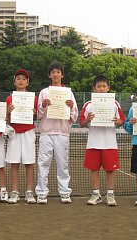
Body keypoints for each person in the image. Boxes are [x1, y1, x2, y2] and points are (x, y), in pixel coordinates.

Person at [35, 62, 78, 204]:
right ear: (49, 75)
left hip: (62, 133)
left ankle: (65, 192)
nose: (55, 74)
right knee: (43, 163)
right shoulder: (44, 92)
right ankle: (41, 193)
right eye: (53, 72)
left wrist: (71, 107)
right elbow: (38, 115)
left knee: (63, 164)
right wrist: (43, 105)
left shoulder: (68, 93)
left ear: (62, 75)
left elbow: (74, 115)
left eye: (58, 72)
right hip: (46, 133)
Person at [79, 75, 124, 206]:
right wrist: (88, 120)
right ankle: (96, 194)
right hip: (93, 143)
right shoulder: (88, 105)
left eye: (104, 86)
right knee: (94, 170)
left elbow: (121, 121)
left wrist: (118, 121)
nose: (101, 89)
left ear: (108, 88)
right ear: (94, 88)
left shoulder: (115, 104)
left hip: (110, 144)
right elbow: (82, 123)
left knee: (110, 170)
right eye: (99, 86)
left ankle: (110, 194)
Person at [6, 69, 37, 204]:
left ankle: (29, 192)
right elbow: (6, 120)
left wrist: (34, 113)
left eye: (24, 79)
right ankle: (15, 191)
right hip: (14, 133)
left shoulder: (33, 98)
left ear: (28, 82)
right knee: (14, 163)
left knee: (29, 163)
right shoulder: (9, 98)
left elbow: (36, 116)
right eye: (18, 78)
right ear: (14, 82)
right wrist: (7, 112)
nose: (21, 81)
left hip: (28, 132)